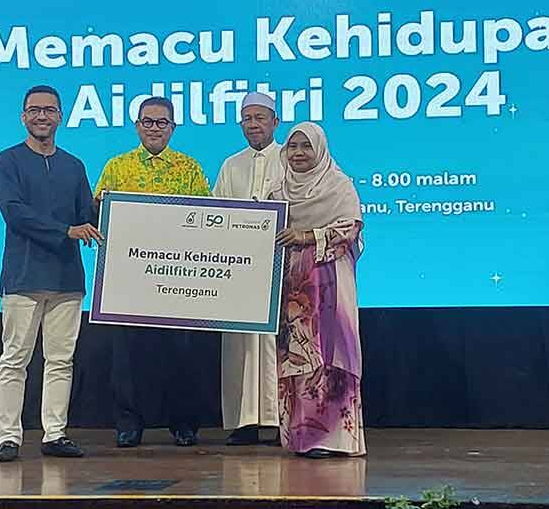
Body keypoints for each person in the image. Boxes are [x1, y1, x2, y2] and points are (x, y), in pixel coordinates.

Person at [0, 85, 104, 463]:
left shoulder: (74, 165)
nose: (42, 116)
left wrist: (110, 207)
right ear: (23, 116)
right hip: (23, 276)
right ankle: (9, 438)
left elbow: (86, 216)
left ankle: (55, 434)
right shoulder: (8, 160)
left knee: (60, 360)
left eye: (49, 110)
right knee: (14, 360)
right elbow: (15, 213)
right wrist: (66, 231)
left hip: (67, 278)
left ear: (60, 117)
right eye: (35, 110)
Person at [94, 96, 212, 448]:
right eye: (148, 121)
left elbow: (207, 218)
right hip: (129, 278)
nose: (155, 128)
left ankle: (184, 425)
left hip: (179, 278)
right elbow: (99, 213)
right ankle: (129, 424)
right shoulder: (117, 167)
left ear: (173, 128)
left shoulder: (189, 168)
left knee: (182, 355)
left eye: (162, 122)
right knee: (127, 357)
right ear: (137, 126)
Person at [272, 122, 366, 458]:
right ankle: (303, 437)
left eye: (306, 146)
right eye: (292, 147)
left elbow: (350, 229)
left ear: (320, 150)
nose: (298, 153)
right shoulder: (277, 191)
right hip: (292, 288)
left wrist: (307, 236)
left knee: (331, 353)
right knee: (299, 356)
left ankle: (334, 439)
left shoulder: (339, 186)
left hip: (330, 283)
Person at [213, 92, 284, 446]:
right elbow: (215, 213)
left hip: (280, 269)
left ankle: (280, 420)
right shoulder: (231, 165)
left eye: (260, 117)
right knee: (239, 347)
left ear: (275, 122)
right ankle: (245, 423)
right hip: (238, 271)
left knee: (277, 346)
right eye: (247, 118)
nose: (253, 124)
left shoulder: (291, 159)